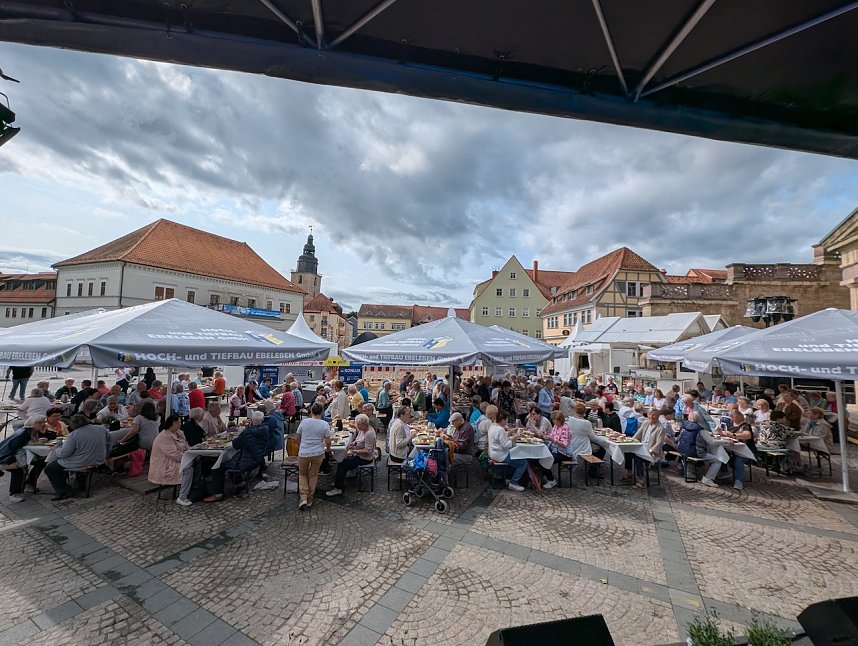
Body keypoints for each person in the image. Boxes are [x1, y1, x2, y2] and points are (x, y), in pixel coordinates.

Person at [204, 410, 270, 502]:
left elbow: (236, 445)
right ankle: (239, 482)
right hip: (258, 458)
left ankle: (218, 494)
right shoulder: (265, 430)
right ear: (262, 420)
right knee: (232, 458)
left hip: (248, 460)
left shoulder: (247, 432)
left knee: (218, 467)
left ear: (251, 420)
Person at [44, 413, 109, 501]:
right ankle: (80, 485)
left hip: (84, 461)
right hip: (99, 458)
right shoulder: (101, 428)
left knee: (51, 468)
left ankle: (63, 491)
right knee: (77, 457)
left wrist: (57, 448)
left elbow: (63, 454)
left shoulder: (74, 435)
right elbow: (109, 443)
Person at [0, 415, 51, 501]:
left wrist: (44, 431)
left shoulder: (32, 431)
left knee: (41, 461)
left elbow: (49, 437)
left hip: (22, 455)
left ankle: (29, 484)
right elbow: (9, 448)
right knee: (20, 469)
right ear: (32, 423)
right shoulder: (23, 434)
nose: (43, 424)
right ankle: (14, 494)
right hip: (7, 457)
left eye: (44, 422)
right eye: (40, 422)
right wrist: (11, 462)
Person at [326, 413, 376, 497]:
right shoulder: (363, 430)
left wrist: (355, 451)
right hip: (360, 455)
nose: (357, 426)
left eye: (358, 424)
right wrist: (353, 443)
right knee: (342, 460)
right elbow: (358, 440)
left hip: (365, 458)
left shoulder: (369, 433)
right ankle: (339, 481)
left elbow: (367, 451)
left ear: (363, 424)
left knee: (343, 463)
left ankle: (338, 488)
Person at [296, 402, 331, 509]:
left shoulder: (304, 422)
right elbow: (328, 441)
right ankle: (310, 498)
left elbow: (298, 437)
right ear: (322, 412)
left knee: (302, 474)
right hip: (318, 452)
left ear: (311, 411)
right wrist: (328, 450)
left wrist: (300, 446)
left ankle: (304, 497)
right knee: (313, 475)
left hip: (304, 452)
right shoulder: (325, 424)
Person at [148, 415, 190, 504]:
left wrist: (191, 451)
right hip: (166, 465)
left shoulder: (179, 433)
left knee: (197, 463)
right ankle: (183, 495)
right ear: (172, 423)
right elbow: (174, 455)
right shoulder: (164, 437)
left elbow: (186, 446)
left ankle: (192, 489)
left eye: (180, 421)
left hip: (177, 459)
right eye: (178, 422)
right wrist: (188, 456)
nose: (180, 424)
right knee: (188, 468)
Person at [487, 406, 527, 491]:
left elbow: (500, 438)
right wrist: (515, 437)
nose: (507, 422)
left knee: (517, 457)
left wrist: (510, 433)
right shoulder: (500, 429)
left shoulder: (493, 426)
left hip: (493, 453)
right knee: (523, 462)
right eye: (506, 420)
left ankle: (509, 478)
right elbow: (505, 445)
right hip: (500, 455)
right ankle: (514, 482)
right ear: (503, 420)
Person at [677, 411, 720, 486]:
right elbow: (712, 442)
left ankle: (690, 470)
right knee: (717, 460)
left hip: (682, 450)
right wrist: (726, 442)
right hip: (694, 452)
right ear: (699, 419)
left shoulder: (683, 426)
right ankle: (708, 478)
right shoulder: (700, 430)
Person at [629, 409, 666, 488]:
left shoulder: (660, 428)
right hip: (642, 448)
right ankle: (628, 473)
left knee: (637, 458)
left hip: (653, 452)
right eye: (650, 414)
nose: (651, 417)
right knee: (628, 453)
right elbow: (638, 434)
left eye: (654, 415)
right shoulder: (646, 423)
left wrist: (651, 450)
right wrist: (630, 441)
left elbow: (659, 443)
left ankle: (641, 480)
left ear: (658, 416)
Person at [721, 409, 757, 490]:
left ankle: (738, 481)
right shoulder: (731, 424)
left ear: (740, 416)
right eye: (732, 417)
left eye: (734, 417)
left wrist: (733, 435)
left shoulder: (746, 425)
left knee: (739, 459)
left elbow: (747, 435)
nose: (733, 419)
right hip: (732, 448)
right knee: (721, 452)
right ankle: (723, 472)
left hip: (745, 451)